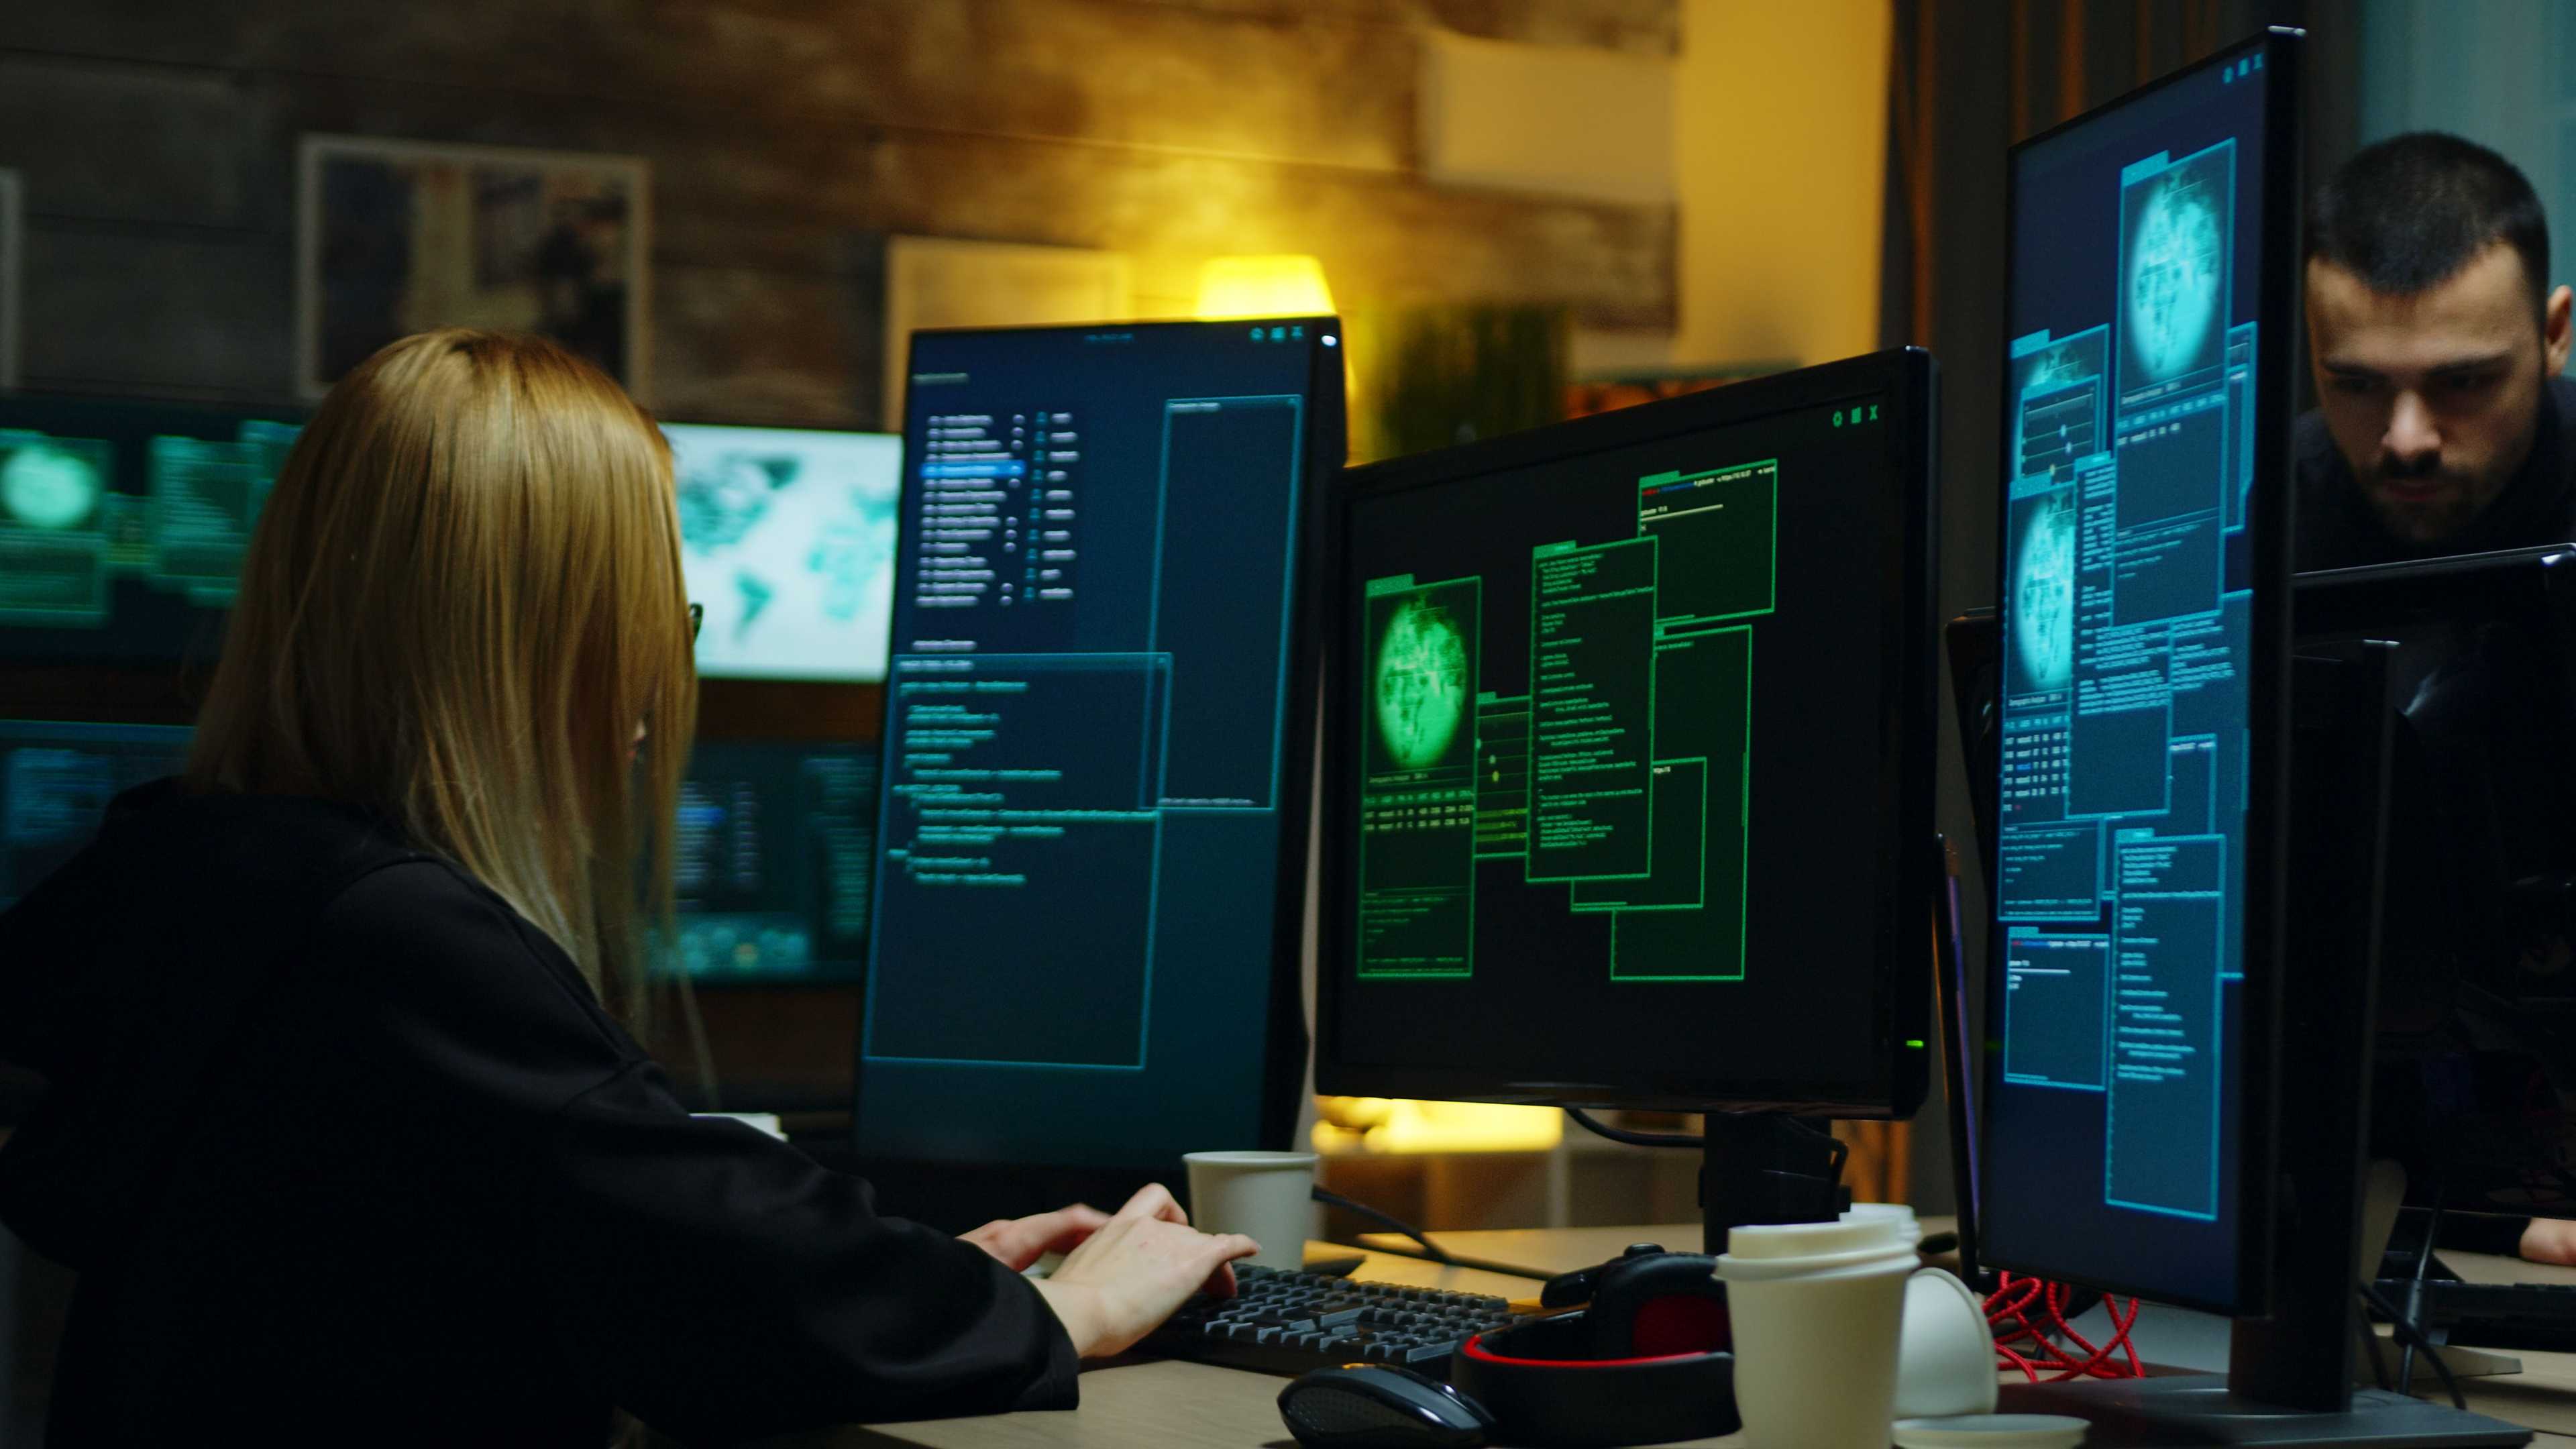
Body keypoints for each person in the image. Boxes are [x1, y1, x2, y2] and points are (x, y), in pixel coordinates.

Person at [0, 330, 1257, 1444]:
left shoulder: (192, 879)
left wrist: (929, 1278)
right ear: (567, 644)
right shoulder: (391, 937)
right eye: (661, 610)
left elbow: (622, 1226)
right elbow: (666, 1227)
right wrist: (1068, 1308)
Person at [2300, 131, 2576, 572]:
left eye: (2462, 382)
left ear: (2554, 336)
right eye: (2358, 385)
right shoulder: (2264, 518)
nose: (2408, 443)